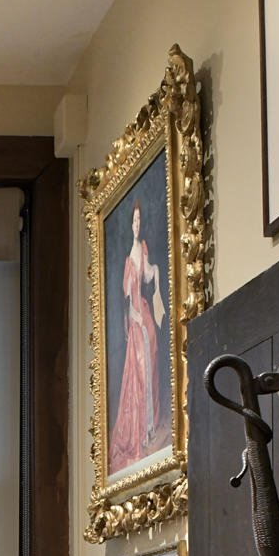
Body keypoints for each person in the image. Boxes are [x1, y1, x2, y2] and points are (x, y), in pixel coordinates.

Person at [107, 200, 167, 472]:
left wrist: (155, 275)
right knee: (137, 372)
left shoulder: (142, 250)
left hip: (143, 313)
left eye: (139, 221)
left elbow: (148, 277)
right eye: (134, 221)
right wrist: (132, 315)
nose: (136, 225)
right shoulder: (127, 257)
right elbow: (126, 295)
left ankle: (149, 427)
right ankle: (139, 431)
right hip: (134, 319)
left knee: (149, 366)